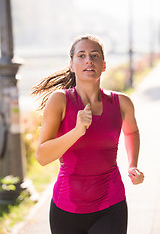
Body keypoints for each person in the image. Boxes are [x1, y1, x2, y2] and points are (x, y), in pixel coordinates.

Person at [31, 35, 144, 234]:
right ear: (72, 65)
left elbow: (132, 131)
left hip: (111, 204)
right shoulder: (59, 101)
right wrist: (77, 131)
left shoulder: (122, 103)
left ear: (104, 65)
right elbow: (42, 156)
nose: (88, 60)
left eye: (94, 55)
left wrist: (133, 164)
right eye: (81, 55)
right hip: (66, 208)